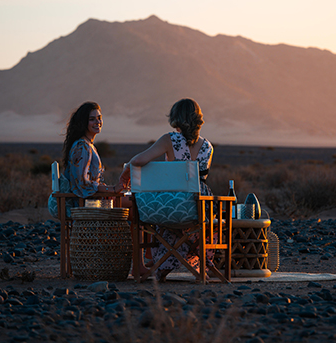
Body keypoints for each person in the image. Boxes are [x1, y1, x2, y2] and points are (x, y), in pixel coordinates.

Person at [119, 98, 214, 281]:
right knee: (195, 225)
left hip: (172, 206)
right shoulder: (208, 147)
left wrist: (125, 174)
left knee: (168, 223)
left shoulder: (170, 140)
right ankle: (203, 266)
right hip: (199, 207)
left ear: (176, 118)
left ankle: (162, 266)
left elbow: (138, 161)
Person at [47, 102, 120, 219]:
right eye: (92, 119)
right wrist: (111, 189)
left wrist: (105, 189)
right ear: (83, 122)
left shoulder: (88, 145)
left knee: (131, 206)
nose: (97, 122)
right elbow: (83, 183)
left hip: (91, 200)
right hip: (83, 204)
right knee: (133, 205)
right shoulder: (81, 147)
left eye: (99, 118)